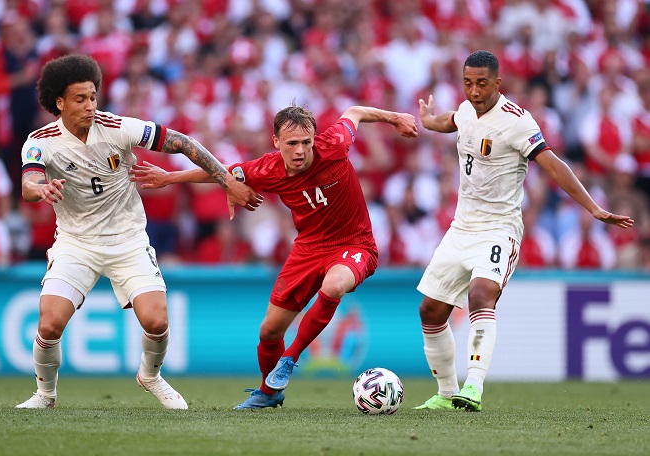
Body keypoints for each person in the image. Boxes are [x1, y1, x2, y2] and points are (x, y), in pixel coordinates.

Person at [130, 103, 418, 409]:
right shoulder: (268, 168)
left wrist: (395, 117)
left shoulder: (334, 144)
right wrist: (169, 178)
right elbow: (222, 172)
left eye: (306, 142)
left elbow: (355, 112)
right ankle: (269, 394)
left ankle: (289, 359)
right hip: (308, 249)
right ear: (276, 141)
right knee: (269, 331)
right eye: (292, 143)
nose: (300, 150)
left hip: (354, 244)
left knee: (334, 285)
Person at [16, 54, 261, 409]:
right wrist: (41, 189)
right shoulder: (40, 141)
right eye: (80, 99)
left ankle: (150, 375)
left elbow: (183, 143)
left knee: (157, 321)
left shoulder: (117, 127)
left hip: (128, 239)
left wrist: (226, 180)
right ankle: (45, 394)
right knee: (49, 324)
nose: (90, 105)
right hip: (76, 242)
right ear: (59, 102)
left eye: (93, 96)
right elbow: (28, 183)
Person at [413, 50, 634, 412]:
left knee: (481, 294)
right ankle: (446, 392)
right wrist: (427, 120)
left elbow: (555, 165)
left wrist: (593, 207)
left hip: (499, 228)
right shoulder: (467, 109)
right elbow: (450, 121)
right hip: (461, 227)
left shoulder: (517, 122)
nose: (474, 91)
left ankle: (473, 386)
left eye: (482, 83)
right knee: (430, 311)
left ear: (498, 83)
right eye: (468, 83)